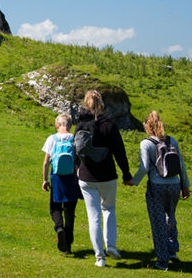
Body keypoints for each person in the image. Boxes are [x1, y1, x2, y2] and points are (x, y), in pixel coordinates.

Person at [74, 90, 133, 267]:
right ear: (102, 104)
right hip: (107, 176)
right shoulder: (110, 125)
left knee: (93, 217)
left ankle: (100, 258)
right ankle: (112, 246)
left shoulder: (81, 124)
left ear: (85, 104)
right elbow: (120, 152)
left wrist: (77, 168)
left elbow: (75, 148)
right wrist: (126, 174)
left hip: (86, 176)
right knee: (108, 209)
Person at [131, 111, 191, 271]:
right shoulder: (172, 141)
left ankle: (162, 260)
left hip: (156, 185)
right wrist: (185, 185)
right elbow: (182, 165)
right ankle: (172, 250)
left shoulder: (147, 143)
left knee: (158, 221)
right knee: (170, 216)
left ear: (146, 126)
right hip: (174, 184)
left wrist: (133, 181)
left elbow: (144, 167)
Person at [42, 113, 82, 255]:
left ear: (56, 125)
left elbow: (46, 161)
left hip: (57, 177)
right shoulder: (74, 139)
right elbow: (78, 162)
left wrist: (45, 179)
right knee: (70, 211)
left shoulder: (52, 139)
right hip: (71, 178)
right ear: (70, 126)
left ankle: (59, 228)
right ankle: (68, 246)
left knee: (55, 207)